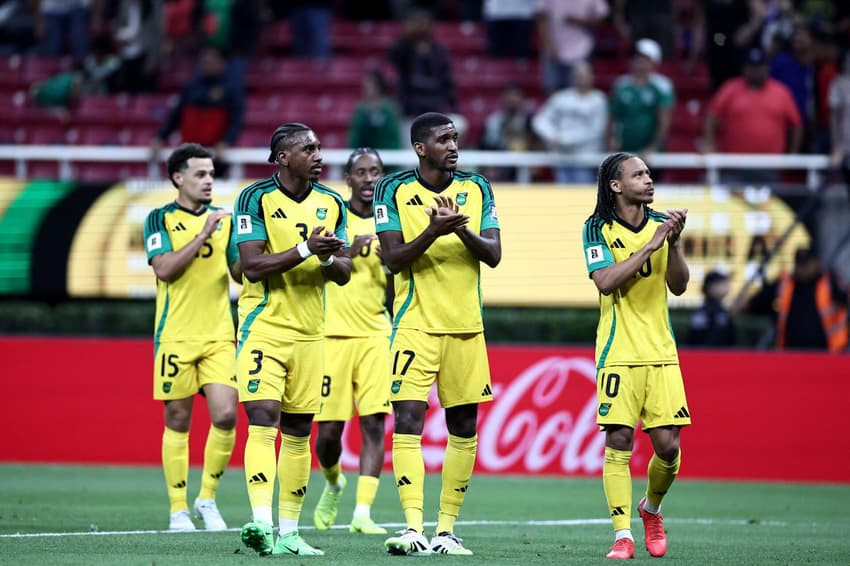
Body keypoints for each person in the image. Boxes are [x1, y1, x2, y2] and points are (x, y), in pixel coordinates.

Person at [374, 112, 502, 556]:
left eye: (455, 138)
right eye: (443, 139)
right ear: (420, 148)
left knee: (463, 426)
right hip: (414, 326)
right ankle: (413, 528)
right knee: (407, 421)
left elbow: (494, 255)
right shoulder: (391, 189)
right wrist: (432, 229)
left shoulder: (478, 187)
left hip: (466, 328)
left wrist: (460, 227)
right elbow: (392, 258)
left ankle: (447, 531)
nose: (453, 145)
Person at [234, 123, 353, 557]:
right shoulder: (254, 198)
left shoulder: (332, 202)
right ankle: (261, 523)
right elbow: (252, 266)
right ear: (283, 158)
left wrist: (326, 258)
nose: (319, 154)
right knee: (263, 417)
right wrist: (306, 250)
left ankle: (289, 533)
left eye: (320, 147)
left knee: (299, 429)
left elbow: (343, 272)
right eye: (309, 148)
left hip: (311, 331)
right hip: (264, 325)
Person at [581, 152, 691, 559]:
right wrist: (651, 246)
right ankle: (621, 534)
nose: (648, 179)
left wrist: (673, 244)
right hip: (618, 351)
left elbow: (678, 287)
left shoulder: (663, 226)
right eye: (638, 174)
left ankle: (652, 509)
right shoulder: (596, 228)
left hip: (661, 350)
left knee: (668, 447)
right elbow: (605, 282)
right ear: (616, 185)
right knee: (619, 439)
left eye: (648, 173)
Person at [142, 142, 241, 531]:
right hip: (175, 337)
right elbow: (164, 269)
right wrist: (202, 235)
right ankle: (178, 508)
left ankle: (208, 499)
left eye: (212, 174)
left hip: (219, 335)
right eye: (200, 174)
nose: (208, 181)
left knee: (228, 415)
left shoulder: (226, 221)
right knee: (178, 421)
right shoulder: (159, 218)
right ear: (177, 178)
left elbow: (239, 272)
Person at [311, 148, 393, 536]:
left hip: (376, 333)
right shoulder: (331, 214)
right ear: (347, 179)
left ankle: (363, 513)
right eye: (360, 172)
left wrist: (392, 260)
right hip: (330, 334)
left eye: (375, 171)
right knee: (327, 434)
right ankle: (332, 482)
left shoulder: (393, 221)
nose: (369, 178)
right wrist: (348, 249)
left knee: (375, 423)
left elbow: (401, 278)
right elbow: (315, 260)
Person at [703, 46, 802, 185]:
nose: (755, 71)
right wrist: (709, 144)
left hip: (770, 167)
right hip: (734, 167)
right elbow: (712, 117)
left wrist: (793, 154)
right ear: (744, 68)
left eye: (759, 66)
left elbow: (796, 124)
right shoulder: (730, 88)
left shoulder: (781, 92)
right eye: (751, 66)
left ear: (766, 68)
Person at [744, 247, 848, 352]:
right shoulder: (785, 283)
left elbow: (845, 298)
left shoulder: (829, 282)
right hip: (791, 353)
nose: (803, 269)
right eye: (800, 264)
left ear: (816, 263)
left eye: (807, 264)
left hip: (828, 353)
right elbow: (759, 302)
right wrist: (745, 305)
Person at [150, 46, 246, 157]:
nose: (206, 65)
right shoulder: (192, 85)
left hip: (216, 154)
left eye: (210, 61)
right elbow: (176, 115)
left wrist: (227, 142)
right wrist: (161, 137)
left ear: (222, 63)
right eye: (204, 61)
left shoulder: (232, 87)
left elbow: (236, 120)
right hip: (190, 152)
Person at [532, 59, 608, 184]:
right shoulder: (561, 97)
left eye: (584, 75)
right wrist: (551, 136)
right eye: (577, 75)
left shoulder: (599, 100)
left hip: (585, 160)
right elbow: (539, 121)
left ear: (592, 77)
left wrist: (563, 139)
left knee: (582, 200)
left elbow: (595, 131)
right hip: (561, 159)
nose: (580, 78)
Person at [607, 38, 675, 158]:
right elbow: (613, 117)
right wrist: (612, 138)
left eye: (643, 58)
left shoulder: (662, 86)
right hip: (624, 152)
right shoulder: (621, 85)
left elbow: (664, 122)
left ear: (653, 61)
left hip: (650, 154)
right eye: (636, 57)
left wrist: (653, 147)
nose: (638, 61)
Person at [535, 0, 610, 93]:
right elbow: (542, 16)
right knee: (552, 90)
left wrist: (580, 21)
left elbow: (602, 17)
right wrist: (547, 44)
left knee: (576, 93)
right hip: (553, 48)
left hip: (581, 49)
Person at [347, 70, 403, 151]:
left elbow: (394, 137)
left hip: (387, 155)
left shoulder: (389, 109)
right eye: (365, 86)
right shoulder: (360, 109)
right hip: (364, 155)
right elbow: (354, 137)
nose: (366, 89)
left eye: (370, 86)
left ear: (378, 86)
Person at [686, 269, 737, 347]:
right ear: (710, 287)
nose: (726, 286)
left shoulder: (723, 311)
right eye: (720, 283)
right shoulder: (703, 312)